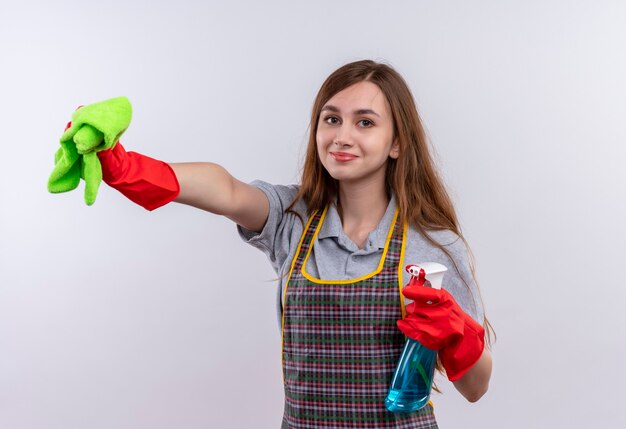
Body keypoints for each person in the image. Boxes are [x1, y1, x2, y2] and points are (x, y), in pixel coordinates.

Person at [87, 60, 493, 428]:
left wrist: (458, 339)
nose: (342, 137)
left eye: (365, 123)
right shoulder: (294, 219)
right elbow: (227, 190)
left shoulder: (433, 248)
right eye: (331, 119)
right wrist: (129, 169)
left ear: (397, 143)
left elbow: (477, 389)